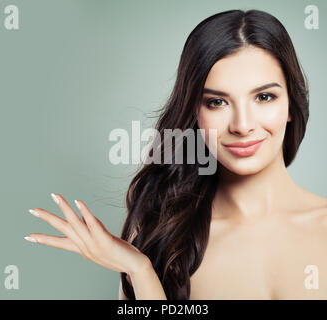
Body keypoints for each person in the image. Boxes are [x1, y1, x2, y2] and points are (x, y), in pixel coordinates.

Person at [25, 9, 327, 300]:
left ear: (291, 104)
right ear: (194, 111)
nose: (242, 125)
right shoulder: (165, 238)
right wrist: (139, 270)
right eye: (217, 102)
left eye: (264, 97)